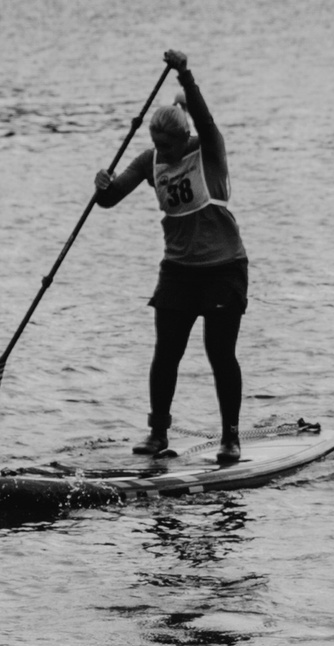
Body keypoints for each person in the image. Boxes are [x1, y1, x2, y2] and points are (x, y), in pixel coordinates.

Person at [94, 49, 250, 465]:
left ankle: (231, 438)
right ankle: (157, 432)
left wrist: (185, 75)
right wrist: (102, 185)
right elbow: (109, 199)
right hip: (178, 271)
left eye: (166, 145)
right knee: (166, 354)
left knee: (220, 354)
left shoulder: (208, 150)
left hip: (223, 269)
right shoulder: (151, 160)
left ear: (184, 139)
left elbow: (205, 119)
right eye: (155, 144)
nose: (160, 151)